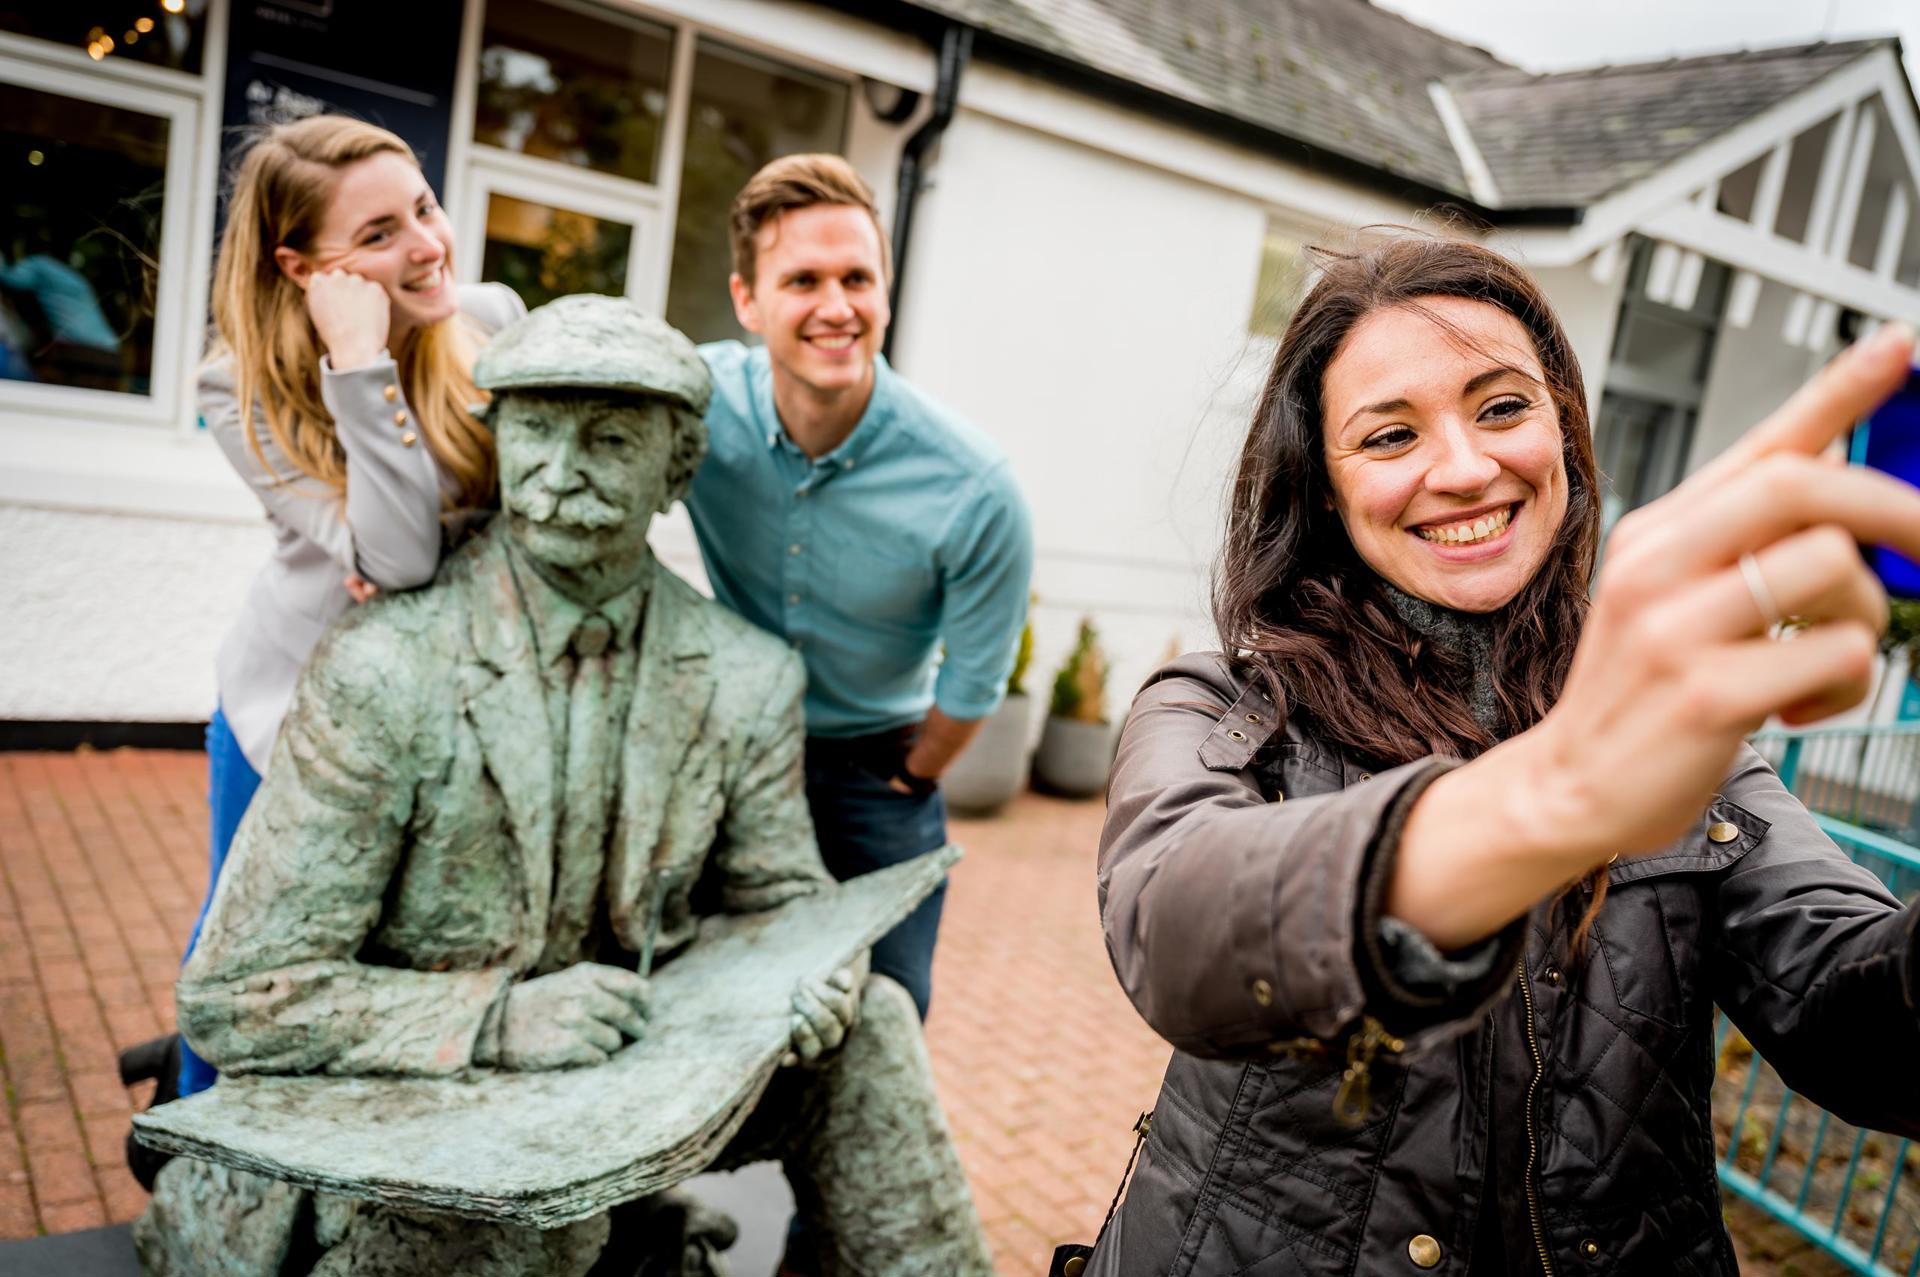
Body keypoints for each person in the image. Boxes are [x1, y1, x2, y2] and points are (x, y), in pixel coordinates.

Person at [1089, 236, 1920, 1275]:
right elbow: (1174, 931)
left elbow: (1875, 1033)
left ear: (1564, 430)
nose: (1466, 466)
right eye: (1389, 434)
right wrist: (1558, 789)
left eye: (1501, 407)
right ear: (1327, 490)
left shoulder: (1683, 738)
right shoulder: (1226, 702)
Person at [132, 295, 992, 1277]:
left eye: (611, 437)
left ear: (677, 467)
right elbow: (239, 993)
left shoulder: (743, 672)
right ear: (497, 442)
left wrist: (815, 970)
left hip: (629, 1068)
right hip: (419, 1094)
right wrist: (496, 1018)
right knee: (523, 1217)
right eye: (536, 432)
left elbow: (780, 900)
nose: (563, 470)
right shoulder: (389, 666)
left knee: (874, 1019)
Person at [121, 115, 525, 1119]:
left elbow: (494, 527)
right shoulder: (237, 389)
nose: (427, 244)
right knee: (244, 937)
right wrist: (359, 360)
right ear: (301, 267)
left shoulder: (494, 320)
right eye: (378, 234)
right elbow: (398, 552)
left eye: (423, 207)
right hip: (292, 702)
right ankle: (192, 1134)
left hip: (441, 707)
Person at [686, 154, 1033, 1021]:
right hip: (724, 753)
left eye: (857, 278)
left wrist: (912, 778)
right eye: (803, 279)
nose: (836, 306)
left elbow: (975, 680)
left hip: (880, 774)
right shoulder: (687, 404)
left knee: (889, 1014)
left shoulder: (975, 487)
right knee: (695, 1002)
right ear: (747, 300)